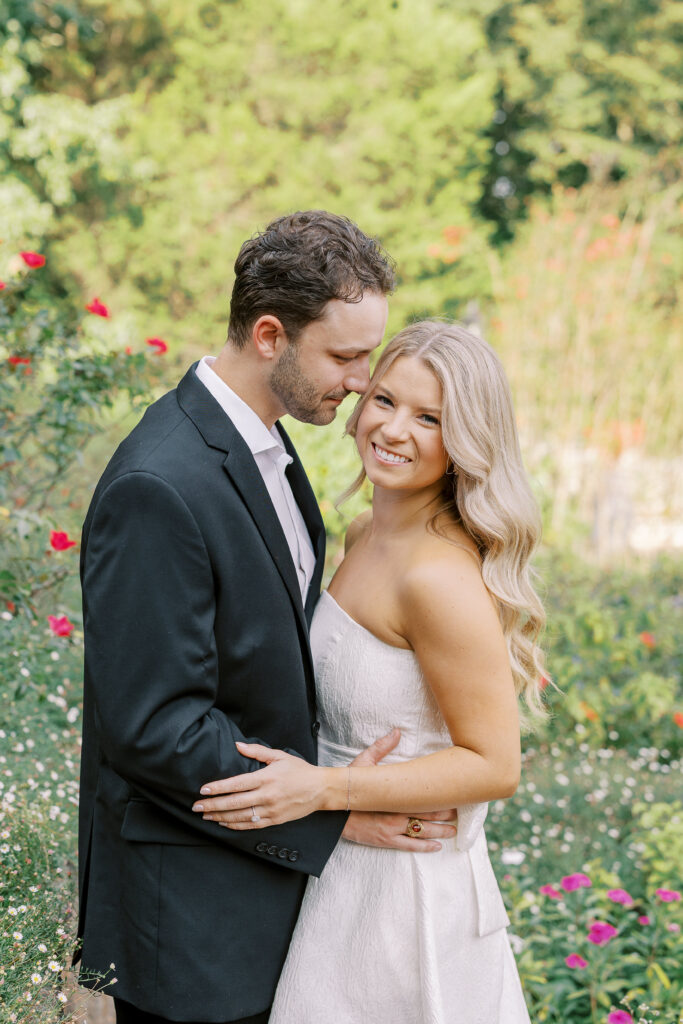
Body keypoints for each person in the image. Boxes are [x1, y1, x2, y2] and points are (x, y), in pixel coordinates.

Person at [76, 212, 459, 1024]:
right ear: (268, 335)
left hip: (270, 910)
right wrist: (336, 808)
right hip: (192, 928)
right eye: (346, 356)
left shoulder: (270, 451)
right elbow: (154, 728)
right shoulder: (161, 482)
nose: (362, 381)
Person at [193, 320, 548, 1023]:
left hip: (406, 897)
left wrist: (328, 788)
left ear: (465, 443)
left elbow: (494, 763)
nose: (392, 429)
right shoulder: (363, 532)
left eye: (429, 419)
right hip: (338, 867)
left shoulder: (438, 578)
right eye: (384, 400)